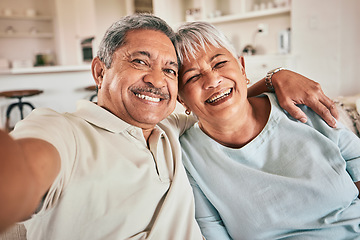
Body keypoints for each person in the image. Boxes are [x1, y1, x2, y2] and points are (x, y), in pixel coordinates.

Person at [0, 14, 338, 239]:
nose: (156, 80)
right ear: (100, 72)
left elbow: (221, 99)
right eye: (140, 61)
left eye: (171, 71)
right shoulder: (63, 131)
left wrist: (275, 77)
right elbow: (28, 170)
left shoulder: (172, 128)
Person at [176, 21, 360, 240]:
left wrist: (275, 76)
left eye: (220, 63)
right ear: (181, 99)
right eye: (193, 77)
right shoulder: (187, 155)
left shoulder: (299, 107)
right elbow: (212, 229)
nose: (213, 80)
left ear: (242, 67)